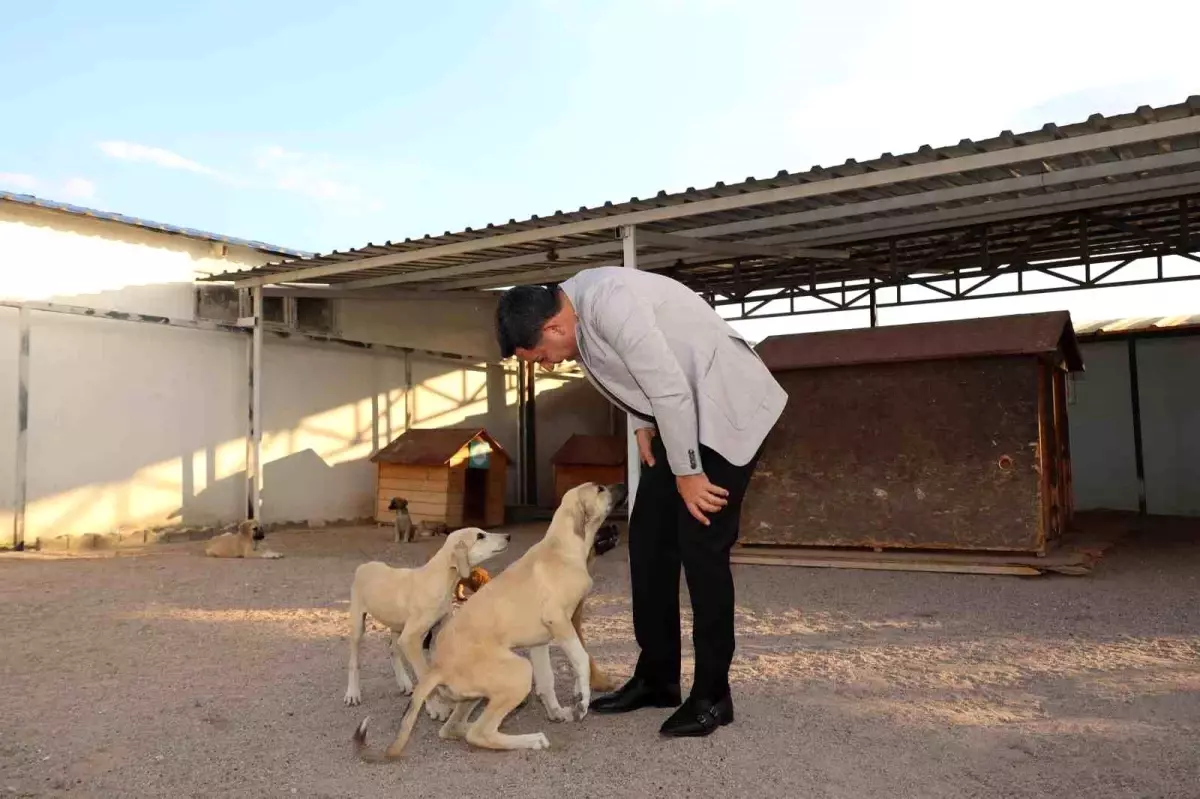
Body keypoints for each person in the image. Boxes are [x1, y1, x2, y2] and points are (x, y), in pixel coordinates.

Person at [494, 265, 788, 739]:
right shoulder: (576, 312)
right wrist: (640, 423)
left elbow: (668, 385)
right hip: (678, 410)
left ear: (554, 327)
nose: (546, 363)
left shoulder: (610, 302)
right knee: (649, 541)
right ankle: (658, 678)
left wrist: (689, 473)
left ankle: (714, 696)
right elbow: (635, 374)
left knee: (702, 546)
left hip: (724, 404)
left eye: (541, 355)